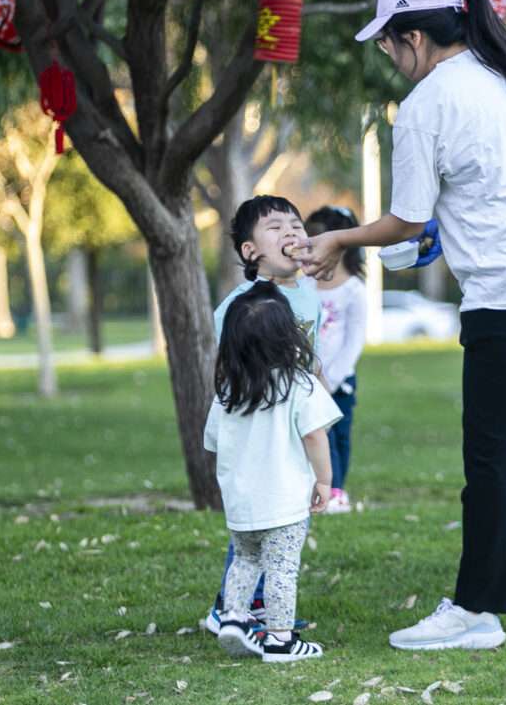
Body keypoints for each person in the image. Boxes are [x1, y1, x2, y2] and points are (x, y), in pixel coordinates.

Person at [297, 0, 506, 649]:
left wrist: (340, 238)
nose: (387, 56)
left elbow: (409, 220)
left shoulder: (425, 105)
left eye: (387, 42)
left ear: (413, 36)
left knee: (494, 457)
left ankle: (477, 610)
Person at [203, 195, 325, 635]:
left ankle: (255, 606)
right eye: (275, 227)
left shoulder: (309, 292)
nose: (291, 232)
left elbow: (312, 357)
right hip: (260, 427)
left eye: (296, 224)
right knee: (259, 519)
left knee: (284, 515)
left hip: (293, 421)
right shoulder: (243, 304)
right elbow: (229, 368)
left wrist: (320, 393)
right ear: (249, 251)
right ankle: (230, 607)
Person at [204, 282, 338, 662]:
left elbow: (212, 441)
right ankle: (280, 640)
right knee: (281, 569)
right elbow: (316, 435)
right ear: (287, 336)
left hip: (240, 503)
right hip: (283, 502)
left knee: (245, 560)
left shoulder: (229, 389)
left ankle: (233, 618)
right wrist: (324, 481)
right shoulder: (299, 385)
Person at [304, 206, 367, 514]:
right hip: (305, 378)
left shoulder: (354, 291)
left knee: (338, 434)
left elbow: (354, 341)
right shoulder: (304, 285)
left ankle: (336, 492)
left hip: (339, 383)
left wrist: (333, 380)